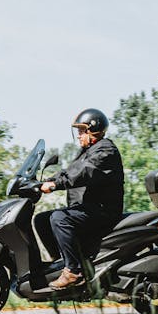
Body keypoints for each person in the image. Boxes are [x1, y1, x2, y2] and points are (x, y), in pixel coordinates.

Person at [34, 108, 125, 290]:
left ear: (94, 130)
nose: (79, 136)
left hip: (103, 210)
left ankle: (73, 272)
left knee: (59, 219)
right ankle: (62, 262)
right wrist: (47, 180)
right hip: (89, 208)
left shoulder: (105, 150)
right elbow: (70, 171)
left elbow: (84, 172)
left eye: (82, 131)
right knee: (41, 219)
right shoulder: (88, 151)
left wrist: (55, 185)